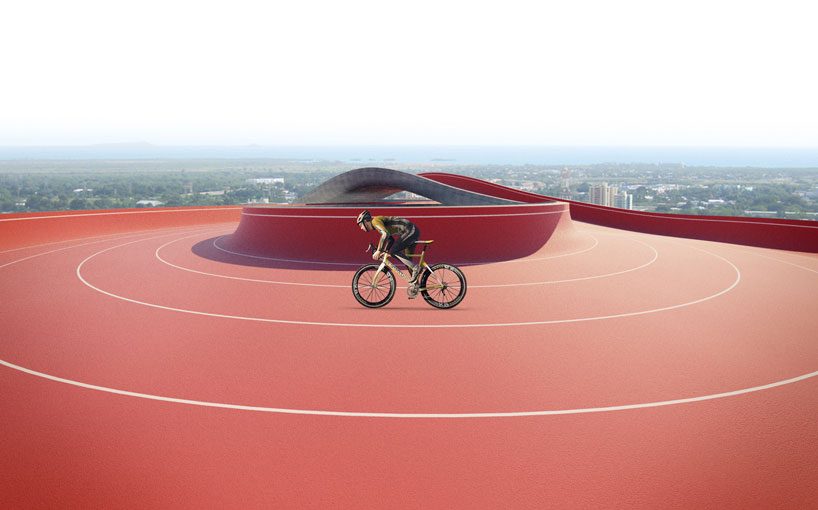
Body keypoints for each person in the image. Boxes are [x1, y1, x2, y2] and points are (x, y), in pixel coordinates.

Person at [356, 209, 421, 283]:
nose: (361, 228)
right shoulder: (377, 224)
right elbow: (390, 239)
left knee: (394, 251)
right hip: (411, 231)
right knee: (407, 261)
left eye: (361, 225)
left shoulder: (375, 221)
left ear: (365, 222)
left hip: (410, 230)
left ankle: (416, 268)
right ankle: (416, 285)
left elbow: (385, 234)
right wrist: (385, 251)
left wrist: (379, 251)